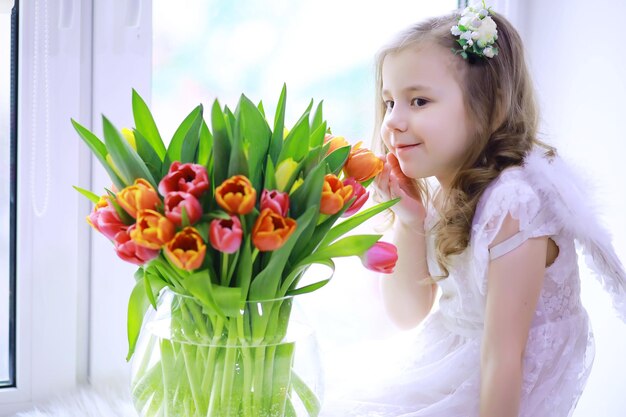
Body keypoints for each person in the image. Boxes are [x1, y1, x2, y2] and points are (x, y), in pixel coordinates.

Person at [320, 2, 626, 417]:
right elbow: (407, 314)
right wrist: (412, 223)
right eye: (389, 102)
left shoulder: (514, 202)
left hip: (495, 386)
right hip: (453, 363)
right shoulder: (446, 187)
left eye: (419, 101)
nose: (392, 121)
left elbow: (504, 358)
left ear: (490, 107)